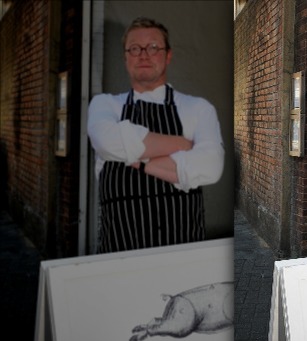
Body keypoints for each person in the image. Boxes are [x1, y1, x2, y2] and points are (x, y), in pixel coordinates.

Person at [87, 17, 224, 253]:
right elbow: (106, 141)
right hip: (120, 255)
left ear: (168, 55)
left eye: (153, 47)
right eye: (134, 48)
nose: (143, 54)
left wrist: (138, 160)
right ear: (125, 57)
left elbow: (212, 166)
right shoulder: (104, 104)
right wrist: (182, 145)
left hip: (184, 253)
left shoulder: (198, 108)